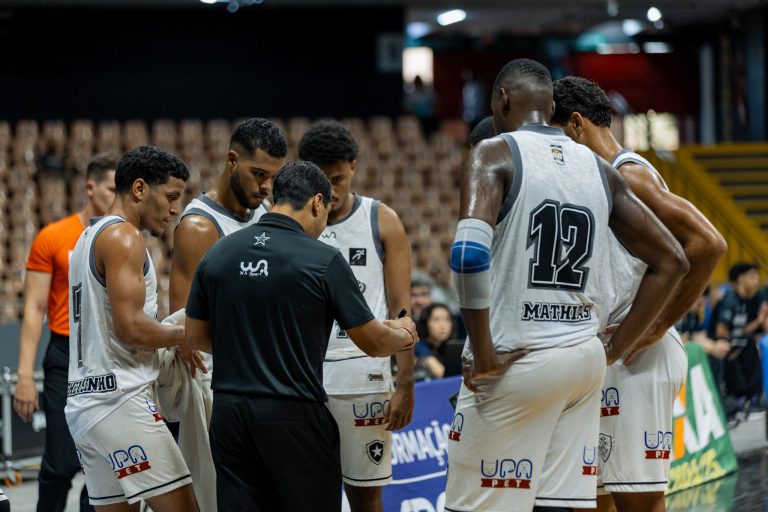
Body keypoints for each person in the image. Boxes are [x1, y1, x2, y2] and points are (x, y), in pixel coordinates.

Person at [445, 58, 688, 512]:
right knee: (559, 504)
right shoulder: (599, 168)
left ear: (502, 99)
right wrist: (616, 349)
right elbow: (672, 260)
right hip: (584, 363)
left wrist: (482, 351)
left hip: (520, 357)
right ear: (552, 106)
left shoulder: (493, 152)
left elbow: (468, 255)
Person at [184, 161, 416, 512]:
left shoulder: (219, 251)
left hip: (229, 414)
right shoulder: (323, 259)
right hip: (292, 413)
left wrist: (250, 346)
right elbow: (373, 342)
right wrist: (405, 334)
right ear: (317, 202)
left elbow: (195, 336)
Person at [551, 75, 727, 512]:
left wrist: (656, 326)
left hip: (636, 358)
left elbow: (708, 243)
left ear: (576, 124)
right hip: (606, 352)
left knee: (639, 503)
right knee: (593, 500)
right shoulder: (593, 179)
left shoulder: (629, 176)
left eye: (555, 135)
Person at [66, 146, 202, 511]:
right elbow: (130, 328)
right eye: (170, 197)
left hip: (85, 406)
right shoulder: (125, 237)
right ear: (140, 188)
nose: (175, 210)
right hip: (122, 402)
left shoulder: (86, 237)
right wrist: (188, 333)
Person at [167, 117, 286, 511]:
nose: (266, 187)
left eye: (273, 178)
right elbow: (185, 327)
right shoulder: (200, 226)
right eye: (258, 174)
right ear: (232, 160)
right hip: (218, 383)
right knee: (218, 497)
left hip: (262, 376)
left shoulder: (265, 213)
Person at [298, 121, 414, 511]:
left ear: (353, 167)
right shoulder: (289, 225)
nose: (330, 191)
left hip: (365, 378)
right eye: (322, 181)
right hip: (302, 378)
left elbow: (402, 309)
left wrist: (405, 385)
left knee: (366, 498)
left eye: (338, 179)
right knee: (309, 496)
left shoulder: (382, 219)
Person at [14, 152, 118, 512]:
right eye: (110, 188)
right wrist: (24, 376)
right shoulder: (53, 237)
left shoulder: (123, 239)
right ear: (90, 187)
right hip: (64, 355)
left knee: (103, 465)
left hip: (107, 355)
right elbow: (34, 308)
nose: (116, 196)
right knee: (61, 463)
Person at [716, 263, 765, 413]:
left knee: (751, 344)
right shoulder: (730, 299)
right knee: (742, 349)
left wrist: (759, 320)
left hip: (738, 343)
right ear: (741, 278)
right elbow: (720, 331)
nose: (756, 281)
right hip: (720, 345)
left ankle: (753, 397)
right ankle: (738, 397)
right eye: (752, 277)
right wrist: (735, 344)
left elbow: (742, 330)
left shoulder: (745, 301)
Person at [414, 303, 455, 379]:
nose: (443, 325)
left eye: (447, 319)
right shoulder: (417, 344)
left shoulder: (449, 346)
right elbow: (441, 373)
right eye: (436, 319)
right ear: (425, 323)